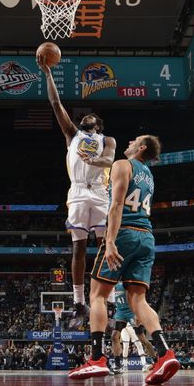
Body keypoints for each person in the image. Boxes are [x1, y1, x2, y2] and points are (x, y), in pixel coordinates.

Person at [68, 135, 180, 385]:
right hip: (147, 237)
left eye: (136, 140)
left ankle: (97, 358)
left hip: (125, 234)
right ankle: (164, 354)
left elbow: (117, 205)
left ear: (141, 148)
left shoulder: (123, 164)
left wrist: (109, 241)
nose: (130, 141)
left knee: (96, 295)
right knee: (138, 299)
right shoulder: (149, 176)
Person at [37, 58, 116, 327]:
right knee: (79, 248)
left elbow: (109, 160)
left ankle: (111, 299)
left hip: (101, 192)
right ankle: (79, 303)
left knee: (106, 246)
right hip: (79, 193)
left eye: (90, 117)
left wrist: (95, 161)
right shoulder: (72, 134)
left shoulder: (107, 140)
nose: (85, 118)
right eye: (83, 117)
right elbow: (56, 104)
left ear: (99, 124)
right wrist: (48, 74)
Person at [110, 282, 154, 373]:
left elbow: (136, 298)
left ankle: (155, 360)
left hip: (132, 312)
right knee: (114, 336)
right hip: (120, 312)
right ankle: (118, 365)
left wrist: (138, 313)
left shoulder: (128, 283)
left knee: (142, 340)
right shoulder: (112, 286)